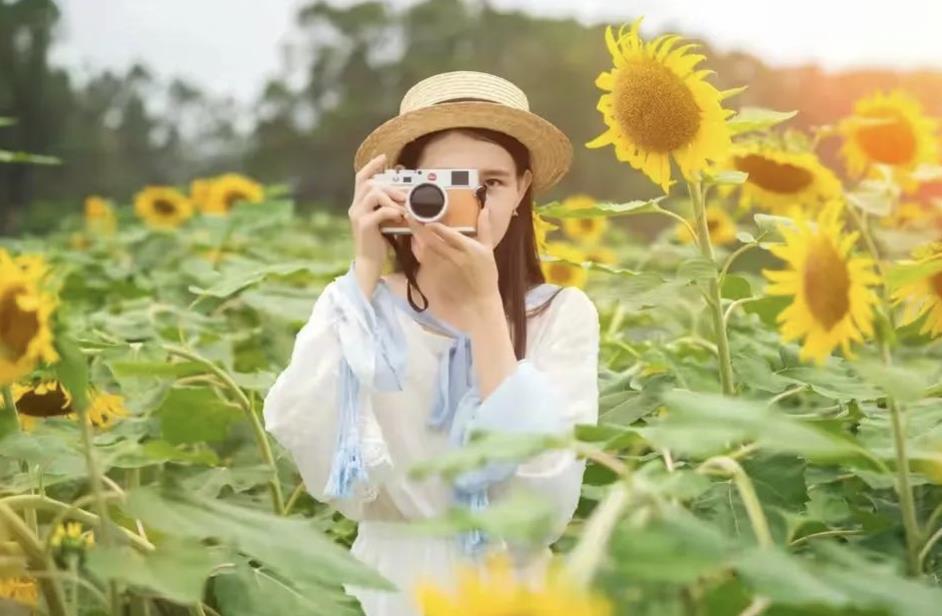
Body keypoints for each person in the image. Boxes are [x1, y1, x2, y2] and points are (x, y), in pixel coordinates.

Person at [262, 70, 600, 616]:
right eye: (443, 184)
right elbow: (306, 437)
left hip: (513, 592)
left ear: (522, 191)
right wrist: (365, 264)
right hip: (389, 585)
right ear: (403, 188)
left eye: (490, 184)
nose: (468, 203)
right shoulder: (358, 306)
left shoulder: (559, 315)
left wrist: (485, 303)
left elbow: (546, 503)